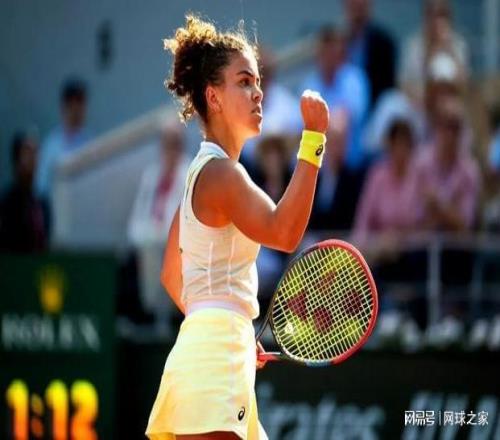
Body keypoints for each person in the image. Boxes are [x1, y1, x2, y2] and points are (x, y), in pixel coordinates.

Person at [146, 15, 329, 440]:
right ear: (213, 96)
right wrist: (314, 138)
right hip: (215, 364)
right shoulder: (223, 175)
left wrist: (224, 320)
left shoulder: (201, 174)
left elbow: (172, 275)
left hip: (207, 355)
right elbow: (285, 232)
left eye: (258, 82)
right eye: (244, 82)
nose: (258, 92)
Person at [302, 25, 370, 171]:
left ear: (339, 52)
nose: (328, 56)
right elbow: (304, 124)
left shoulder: (354, 79)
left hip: (351, 165)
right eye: (324, 51)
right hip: (318, 164)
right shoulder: (310, 84)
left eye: (332, 50)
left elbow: (347, 119)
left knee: (337, 128)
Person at [35, 78, 91, 207]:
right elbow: (41, 188)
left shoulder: (91, 142)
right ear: (64, 106)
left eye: (81, 102)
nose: (77, 109)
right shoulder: (51, 145)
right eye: (72, 103)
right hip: (58, 209)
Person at [343, 0, 396, 108]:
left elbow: (387, 86)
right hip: (344, 104)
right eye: (353, 5)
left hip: (376, 106)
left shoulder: (384, 43)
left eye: (361, 5)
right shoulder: (338, 41)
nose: (357, 9)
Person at [0, 131, 47, 252]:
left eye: (36, 152)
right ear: (17, 158)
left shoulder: (41, 203)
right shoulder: (7, 203)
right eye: (28, 152)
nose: (34, 158)